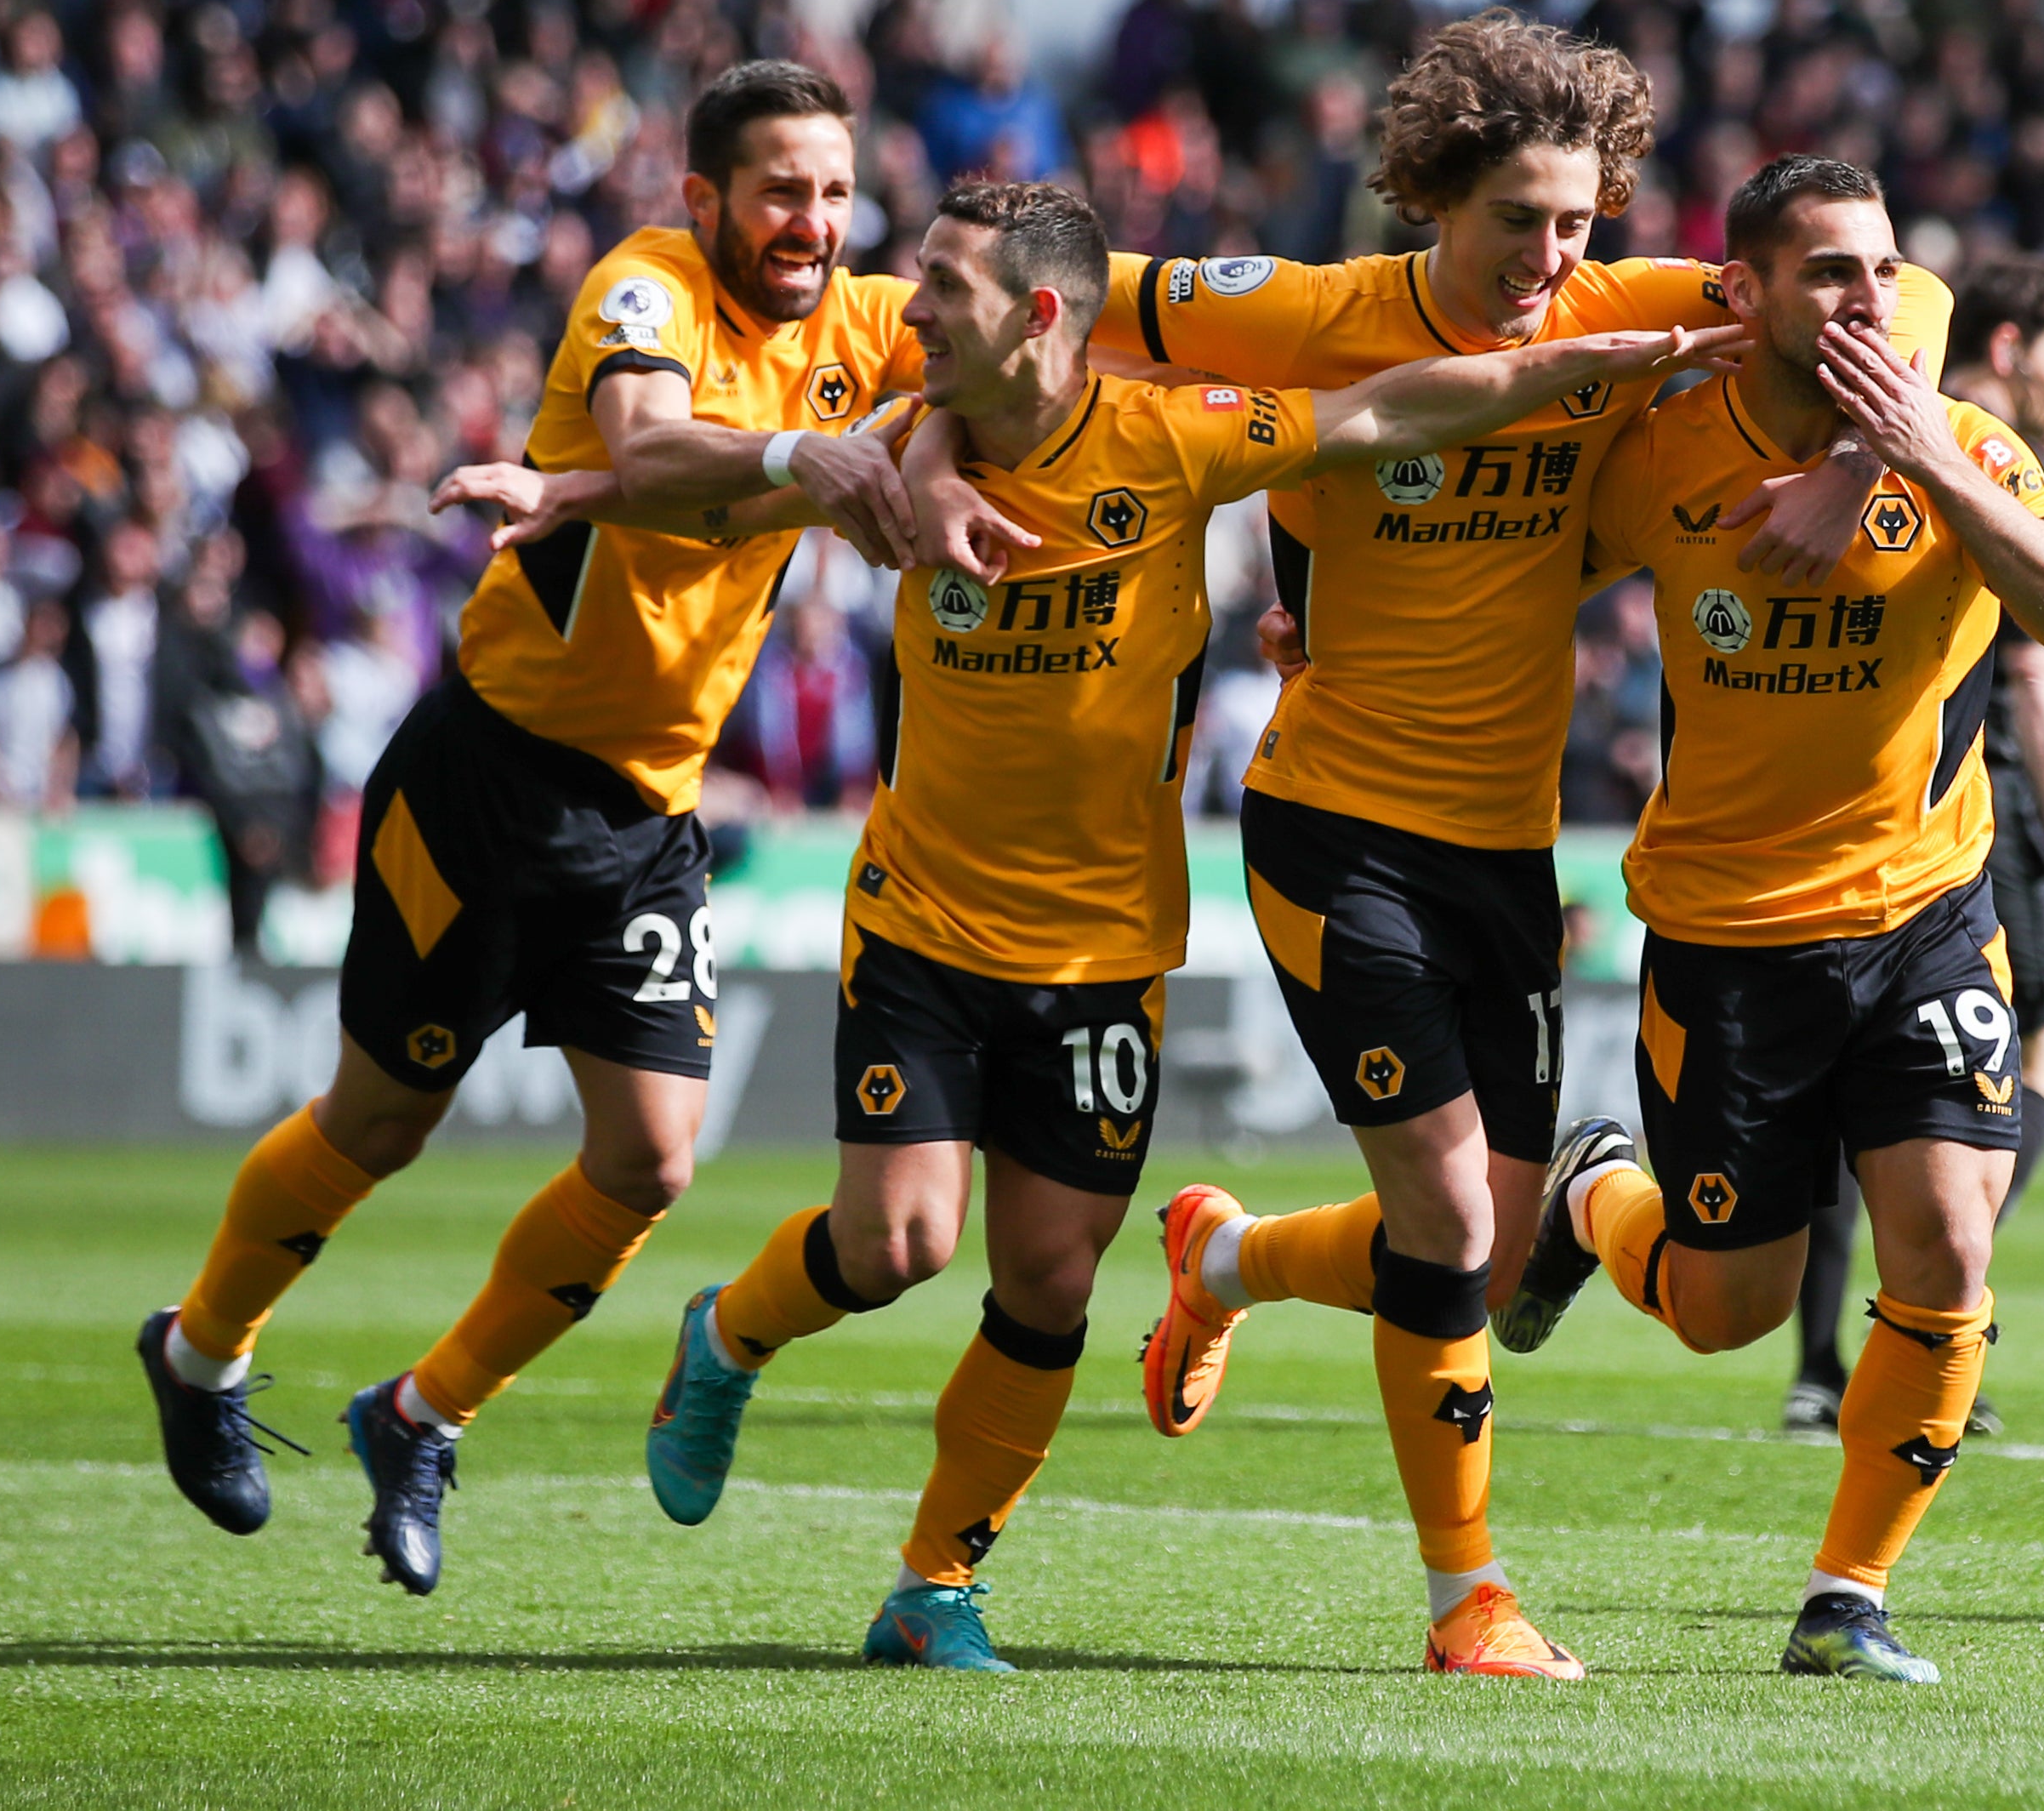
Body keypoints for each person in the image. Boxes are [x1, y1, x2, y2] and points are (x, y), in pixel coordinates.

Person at [493, 179, 1729, 1675]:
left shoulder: (1176, 435)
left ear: (1034, 317)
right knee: (895, 1246)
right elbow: (733, 491)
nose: (912, 311)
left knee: (1053, 1281)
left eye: (942, 288)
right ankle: (730, 1336)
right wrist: (569, 490)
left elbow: (1394, 415)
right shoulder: (895, 459)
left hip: (1106, 946)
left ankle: (934, 1585)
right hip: (926, 918)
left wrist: (1598, 363)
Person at [925, 10, 1943, 1677]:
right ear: (1429, 203)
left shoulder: (1636, 303)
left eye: (1578, 222)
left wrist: (1848, 456)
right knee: (1460, 1222)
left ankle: (1227, 1255)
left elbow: (1916, 296)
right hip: (1336, 831)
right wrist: (916, 424)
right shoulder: (1314, 316)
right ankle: (1467, 1596)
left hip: (1504, 855)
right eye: (1516, 222)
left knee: (1478, 1227)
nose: (1553, 257)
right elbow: (1024, 293)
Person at [136, 60, 930, 1596]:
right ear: (703, 198)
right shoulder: (644, 290)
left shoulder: (869, 321)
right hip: (488, 783)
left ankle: (421, 1414)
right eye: (780, 189)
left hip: (650, 815)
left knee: (649, 1164)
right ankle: (202, 1350)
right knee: (382, 1124)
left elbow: (1036, 325)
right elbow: (646, 450)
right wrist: (800, 460)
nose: (812, 222)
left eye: (833, 192)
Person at [1499, 154, 2044, 1683]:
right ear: (1749, 290)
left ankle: (1849, 1596)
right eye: (1827, 272)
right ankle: (1594, 1192)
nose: (1865, 296)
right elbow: (1513, 572)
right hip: (1726, 937)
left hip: (1925, 912)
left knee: (1948, 1253)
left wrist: (1920, 461)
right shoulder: (1662, 456)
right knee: (1728, 1309)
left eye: (1881, 271)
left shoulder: (1962, 445)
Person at [1784, 254, 2044, 1443]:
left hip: (1837, 792)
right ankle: (1922, 1307)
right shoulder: (1977, 452)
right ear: (2008, 346)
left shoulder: (1852, 414)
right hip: (1976, 802)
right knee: (2040, 1056)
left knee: (1834, 1091)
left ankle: (1827, 1359)